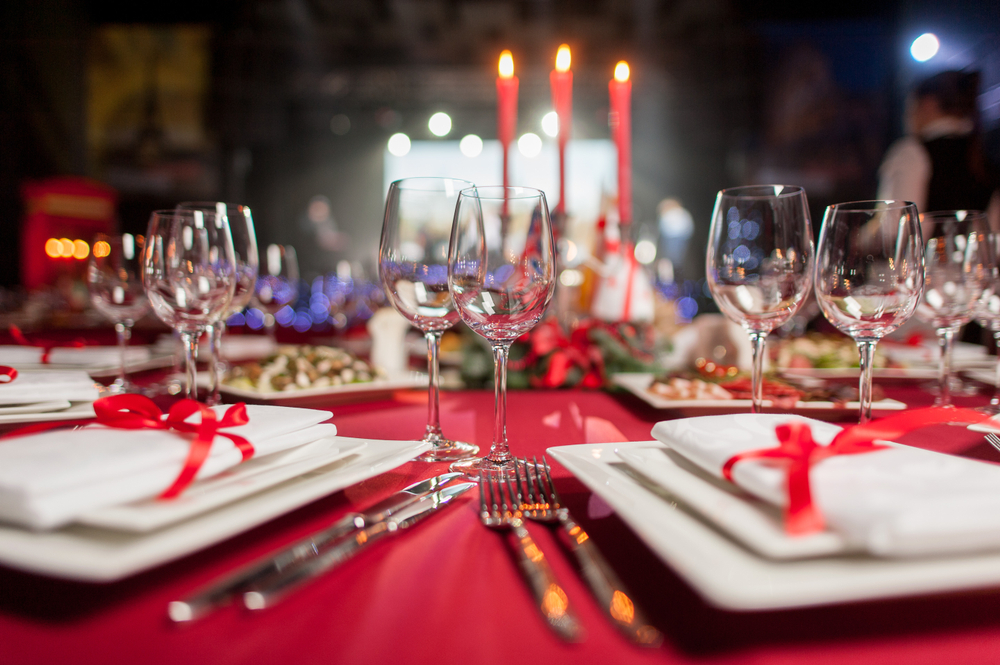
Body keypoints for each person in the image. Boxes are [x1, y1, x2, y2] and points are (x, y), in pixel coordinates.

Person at [877, 70, 997, 216]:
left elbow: (893, 228)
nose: (906, 116)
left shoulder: (911, 152)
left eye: (909, 107)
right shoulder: (984, 153)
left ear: (928, 104)